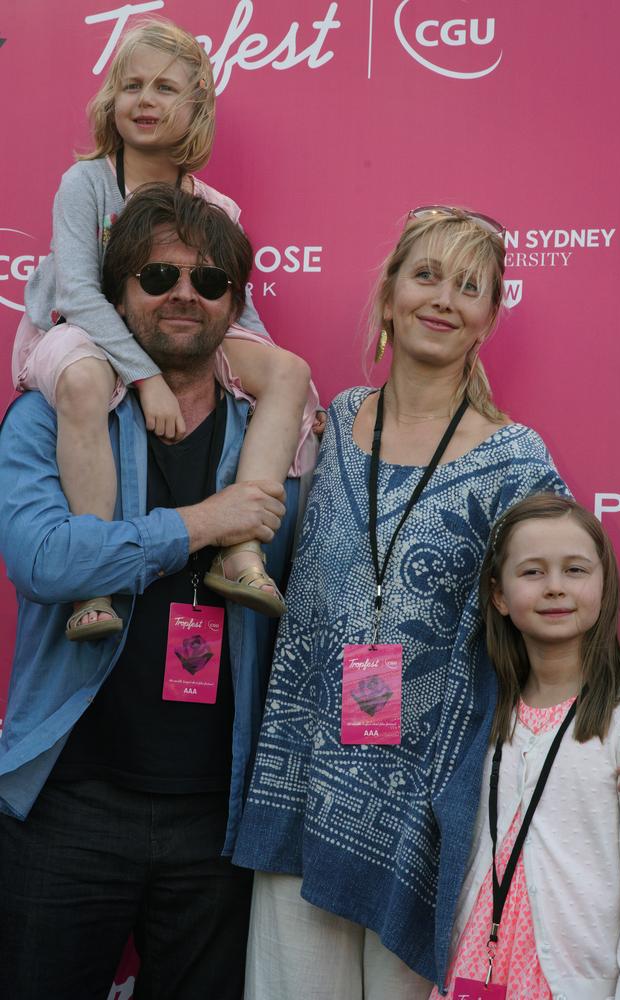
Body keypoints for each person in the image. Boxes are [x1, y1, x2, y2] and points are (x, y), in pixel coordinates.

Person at [232, 206, 571, 998]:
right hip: (303, 782)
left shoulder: (514, 459)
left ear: (489, 318)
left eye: (469, 286)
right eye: (425, 276)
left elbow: (568, 598)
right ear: (389, 296)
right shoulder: (334, 418)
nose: (443, 298)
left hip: (427, 806)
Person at [0, 184, 298, 999]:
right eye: (158, 275)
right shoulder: (50, 415)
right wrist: (203, 523)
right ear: (115, 290)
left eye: (208, 283)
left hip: (218, 821)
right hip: (68, 804)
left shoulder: (274, 440)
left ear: (234, 303)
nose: (182, 296)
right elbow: (44, 560)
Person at [11, 17, 319, 640]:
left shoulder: (217, 209)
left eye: (165, 88)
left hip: (142, 347)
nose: (146, 100)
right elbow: (76, 292)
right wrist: (148, 378)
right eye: (133, 85)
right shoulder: (87, 183)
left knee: (289, 370)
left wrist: (295, 395)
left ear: (196, 107)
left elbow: (239, 312)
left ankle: (241, 549)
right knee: (84, 380)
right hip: (76, 332)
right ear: (111, 99)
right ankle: (92, 581)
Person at [430, 494, 620, 999]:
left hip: (575, 984)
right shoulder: (481, 717)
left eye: (575, 569)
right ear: (499, 595)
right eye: (532, 572)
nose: (555, 587)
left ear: (603, 584)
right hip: (471, 974)